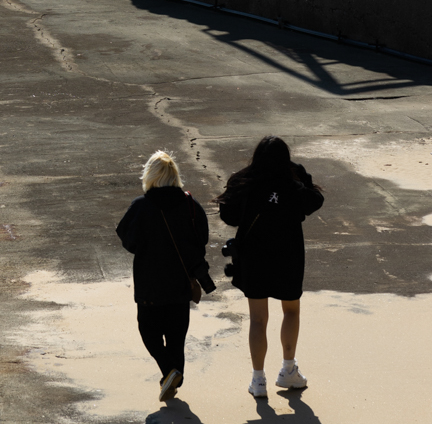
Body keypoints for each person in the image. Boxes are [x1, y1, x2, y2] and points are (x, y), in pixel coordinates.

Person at [217, 136, 324, 399]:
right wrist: (299, 177)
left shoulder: (245, 179)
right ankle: (288, 370)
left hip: (254, 254)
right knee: (291, 311)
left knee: (258, 319)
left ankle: (258, 380)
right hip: (288, 253)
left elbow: (228, 215)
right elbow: (315, 201)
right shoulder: (293, 180)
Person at [116, 150, 215, 402]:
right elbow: (201, 239)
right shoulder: (190, 205)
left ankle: (169, 373)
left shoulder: (141, 206)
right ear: (175, 176)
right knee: (176, 338)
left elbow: (128, 241)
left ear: (150, 176)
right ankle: (173, 375)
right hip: (181, 285)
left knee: (149, 333)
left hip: (150, 287)